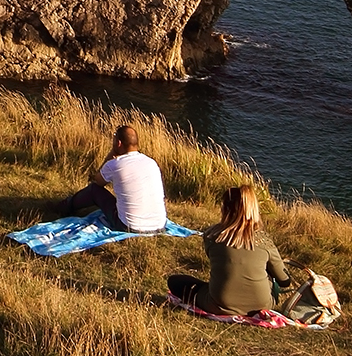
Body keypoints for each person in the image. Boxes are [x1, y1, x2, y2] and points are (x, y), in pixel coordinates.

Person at [169, 186, 292, 316]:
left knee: (175, 281)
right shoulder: (264, 241)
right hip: (262, 305)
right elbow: (285, 281)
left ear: (225, 208)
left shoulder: (212, 236)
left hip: (219, 304)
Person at [63, 123, 167, 233]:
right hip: (159, 225)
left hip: (128, 226)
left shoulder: (115, 164)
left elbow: (98, 181)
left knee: (94, 190)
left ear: (118, 143)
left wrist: (110, 156)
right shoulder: (151, 162)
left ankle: (64, 207)